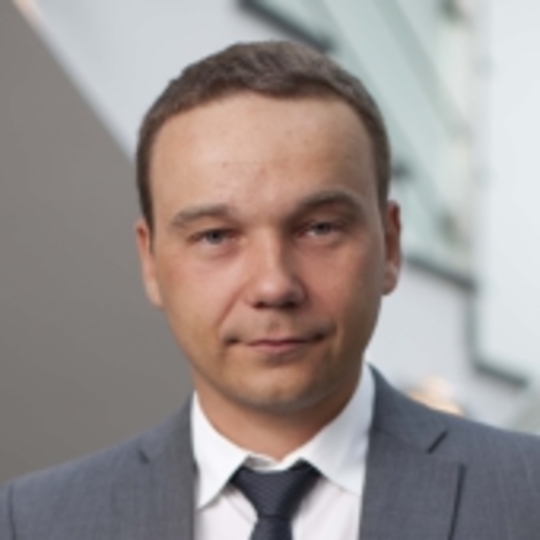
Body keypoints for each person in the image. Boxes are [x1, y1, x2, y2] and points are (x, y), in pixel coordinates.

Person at [1, 40, 540, 540]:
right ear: (150, 261)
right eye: (215, 236)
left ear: (391, 245)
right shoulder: (33, 523)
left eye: (320, 228)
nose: (274, 285)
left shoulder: (527, 495)